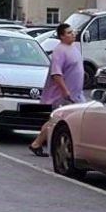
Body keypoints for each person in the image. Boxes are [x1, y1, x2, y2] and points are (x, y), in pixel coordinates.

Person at [29, 23, 85, 156]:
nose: (73, 34)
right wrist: (65, 91)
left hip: (76, 93)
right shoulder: (59, 51)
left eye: (72, 32)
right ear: (61, 36)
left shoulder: (73, 48)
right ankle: (38, 143)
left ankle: (37, 144)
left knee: (60, 120)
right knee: (58, 120)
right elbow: (56, 74)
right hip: (63, 95)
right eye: (69, 33)